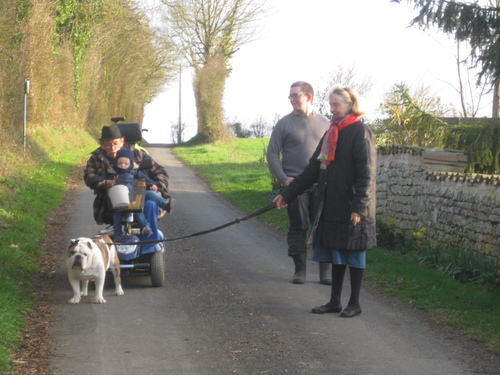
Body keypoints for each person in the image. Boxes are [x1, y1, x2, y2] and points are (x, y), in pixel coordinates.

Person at [273, 86, 377, 318]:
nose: (331, 109)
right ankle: (334, 302)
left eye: (335, 105)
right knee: (337, 254)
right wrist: (287, 195)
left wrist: (359, 207)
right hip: (332, 204)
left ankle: (355, 304)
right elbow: (312, 170)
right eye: (330, 105)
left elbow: (367, 174)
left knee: (355, 254)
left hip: (354, 206)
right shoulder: (332, 132)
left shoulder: (361, 132)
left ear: (350, 105)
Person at [266, 81, 331, 284]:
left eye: (296, 95)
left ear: (308, 97)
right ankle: (299, 270)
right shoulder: (283, 123)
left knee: (321, 226)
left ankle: (325, 272)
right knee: (298, 226)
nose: (292, 100)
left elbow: (332, 154)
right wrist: (284, 180)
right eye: (290, 96)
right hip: (294, 187)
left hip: (321, 184)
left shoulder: (325, 123)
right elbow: (272, 153)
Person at [84, 123, 170, 239]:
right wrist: (102, 182)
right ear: (102, 145)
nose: (112, 148)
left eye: (115, 143)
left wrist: (158, 188)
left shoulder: (137, 154)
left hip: (140, 197)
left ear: (122, 141)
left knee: (150, 204)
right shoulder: (96, 158)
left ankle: (150, 242)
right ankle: (120, 243)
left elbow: (159, 172)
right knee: (119, 208)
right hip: (113, 199)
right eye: (108, 144)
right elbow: (89, 175)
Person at [111, 148, 174, 237]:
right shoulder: (113, 173)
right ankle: (146, 227)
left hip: (137, 196)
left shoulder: (136, 172)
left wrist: (153, 186)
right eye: (120, 163)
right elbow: (107, 182)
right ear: (116, 163)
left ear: (131, 163)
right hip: (122, 200)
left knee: (151, 194)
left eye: (126, 163)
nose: (123, 166)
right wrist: (113, 181)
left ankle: (164, 204)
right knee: (135, 209)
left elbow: (146, 180)